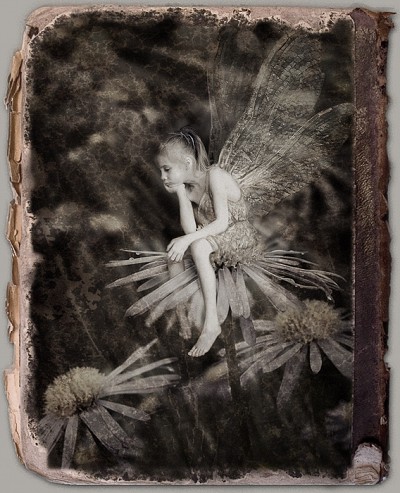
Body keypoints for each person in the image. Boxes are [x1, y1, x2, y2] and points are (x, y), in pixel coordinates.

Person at [157, 127, 261, 357]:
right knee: (174, 254)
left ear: (187, 162)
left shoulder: (215, 175)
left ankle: (212, 322)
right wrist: (181, 194)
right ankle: (183, 315)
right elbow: (190, 229)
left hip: (239, 236)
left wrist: (188, 240)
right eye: (161, 171)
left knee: (195, 244)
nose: (162, 176)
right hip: (214, 240)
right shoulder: (190, 189)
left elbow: (222, 222)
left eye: (167, 169)